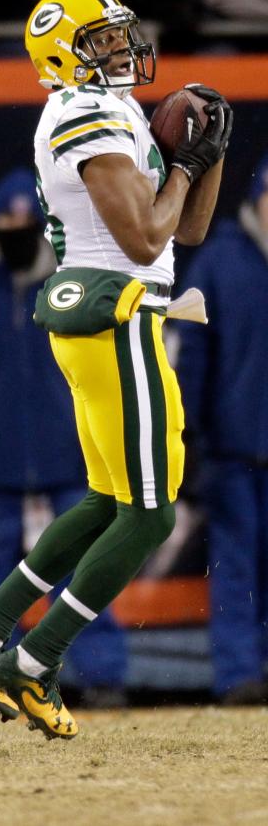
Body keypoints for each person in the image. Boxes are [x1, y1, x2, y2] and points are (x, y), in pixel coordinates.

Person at [0, 0, 232, 739]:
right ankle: (34, 660)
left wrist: (209, 154)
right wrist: (186, 166)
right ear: (65, 52)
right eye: (101, 39)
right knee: (151, 512)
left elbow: (184, 232)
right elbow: (143, 241)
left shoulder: (111, 109)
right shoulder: (84, 112)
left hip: (118, 310)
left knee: (109, 499)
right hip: (116, 309)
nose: (120, 49)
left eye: (118, 34)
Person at [0, 168, 127, 706]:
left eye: (24, 221)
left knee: (84, 575)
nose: (15, 229)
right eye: (4, 221)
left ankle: (105, 677)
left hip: (69, 456)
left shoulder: (69, 284)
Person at [176, 154, 268, 705]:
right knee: (235, 569)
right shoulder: (221, 262)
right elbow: (192, 359)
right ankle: (239, 677)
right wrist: (186, 439)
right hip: (235, 450)